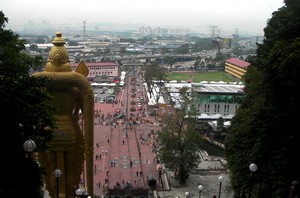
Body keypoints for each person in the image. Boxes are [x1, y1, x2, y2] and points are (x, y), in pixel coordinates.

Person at [33, 32, 94, 198]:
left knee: (51, 169)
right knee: (70, 170)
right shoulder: (76, 88)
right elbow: (86, 112)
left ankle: (55, 193)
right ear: (67, 61)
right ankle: (68, 192)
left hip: (48, 132)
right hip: (69, 133)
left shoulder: (41, 87)